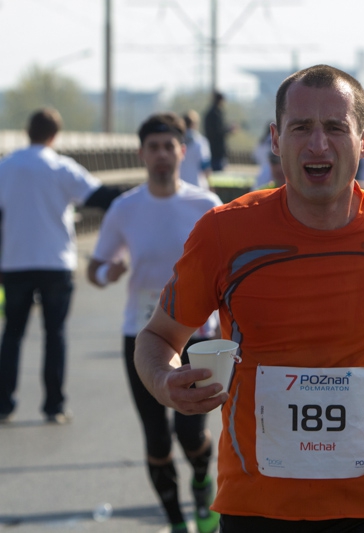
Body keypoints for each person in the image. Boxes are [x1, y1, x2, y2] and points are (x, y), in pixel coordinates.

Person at [133, 64, 364, 532]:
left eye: (336, 128)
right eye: (301, 128)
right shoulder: (224, 232)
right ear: (277, 140)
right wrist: (164, 380)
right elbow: (158, 335)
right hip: (255, 505)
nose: (318, 144)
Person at [87, 113, 223, 533]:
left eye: (169, 146)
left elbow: (228, 270)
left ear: (183, 151)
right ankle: (177, 522)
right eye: (154, 147)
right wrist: (109, 272)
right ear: (141, 153)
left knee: (189, 432)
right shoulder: (125, 208)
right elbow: (94, 268)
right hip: (144, 333)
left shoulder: (207, 205)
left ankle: (202, 483)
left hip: (200, 335)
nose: (162, 154)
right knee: (157, 438)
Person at [0, 108, 121, 424]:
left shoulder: (6, 166)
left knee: (12, 333)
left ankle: (3, 403)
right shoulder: (61, 166)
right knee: (54, 333)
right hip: (55, 260)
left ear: (28, 131)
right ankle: (53, 405)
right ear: (55, 135)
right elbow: (101, 196)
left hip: (15, 261)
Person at [180, 110, 212, 190]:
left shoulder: (176, 142)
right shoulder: (201, 141)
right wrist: (211, 185)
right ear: (195, 124)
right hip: (197, 186)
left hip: (180, 185)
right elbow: (206, 167)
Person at [203, 91, 234, 172]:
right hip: (217, 151)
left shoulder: (209, 113)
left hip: (211, 150)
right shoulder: (216, 114)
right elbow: (218, 132)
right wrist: (229, 130)